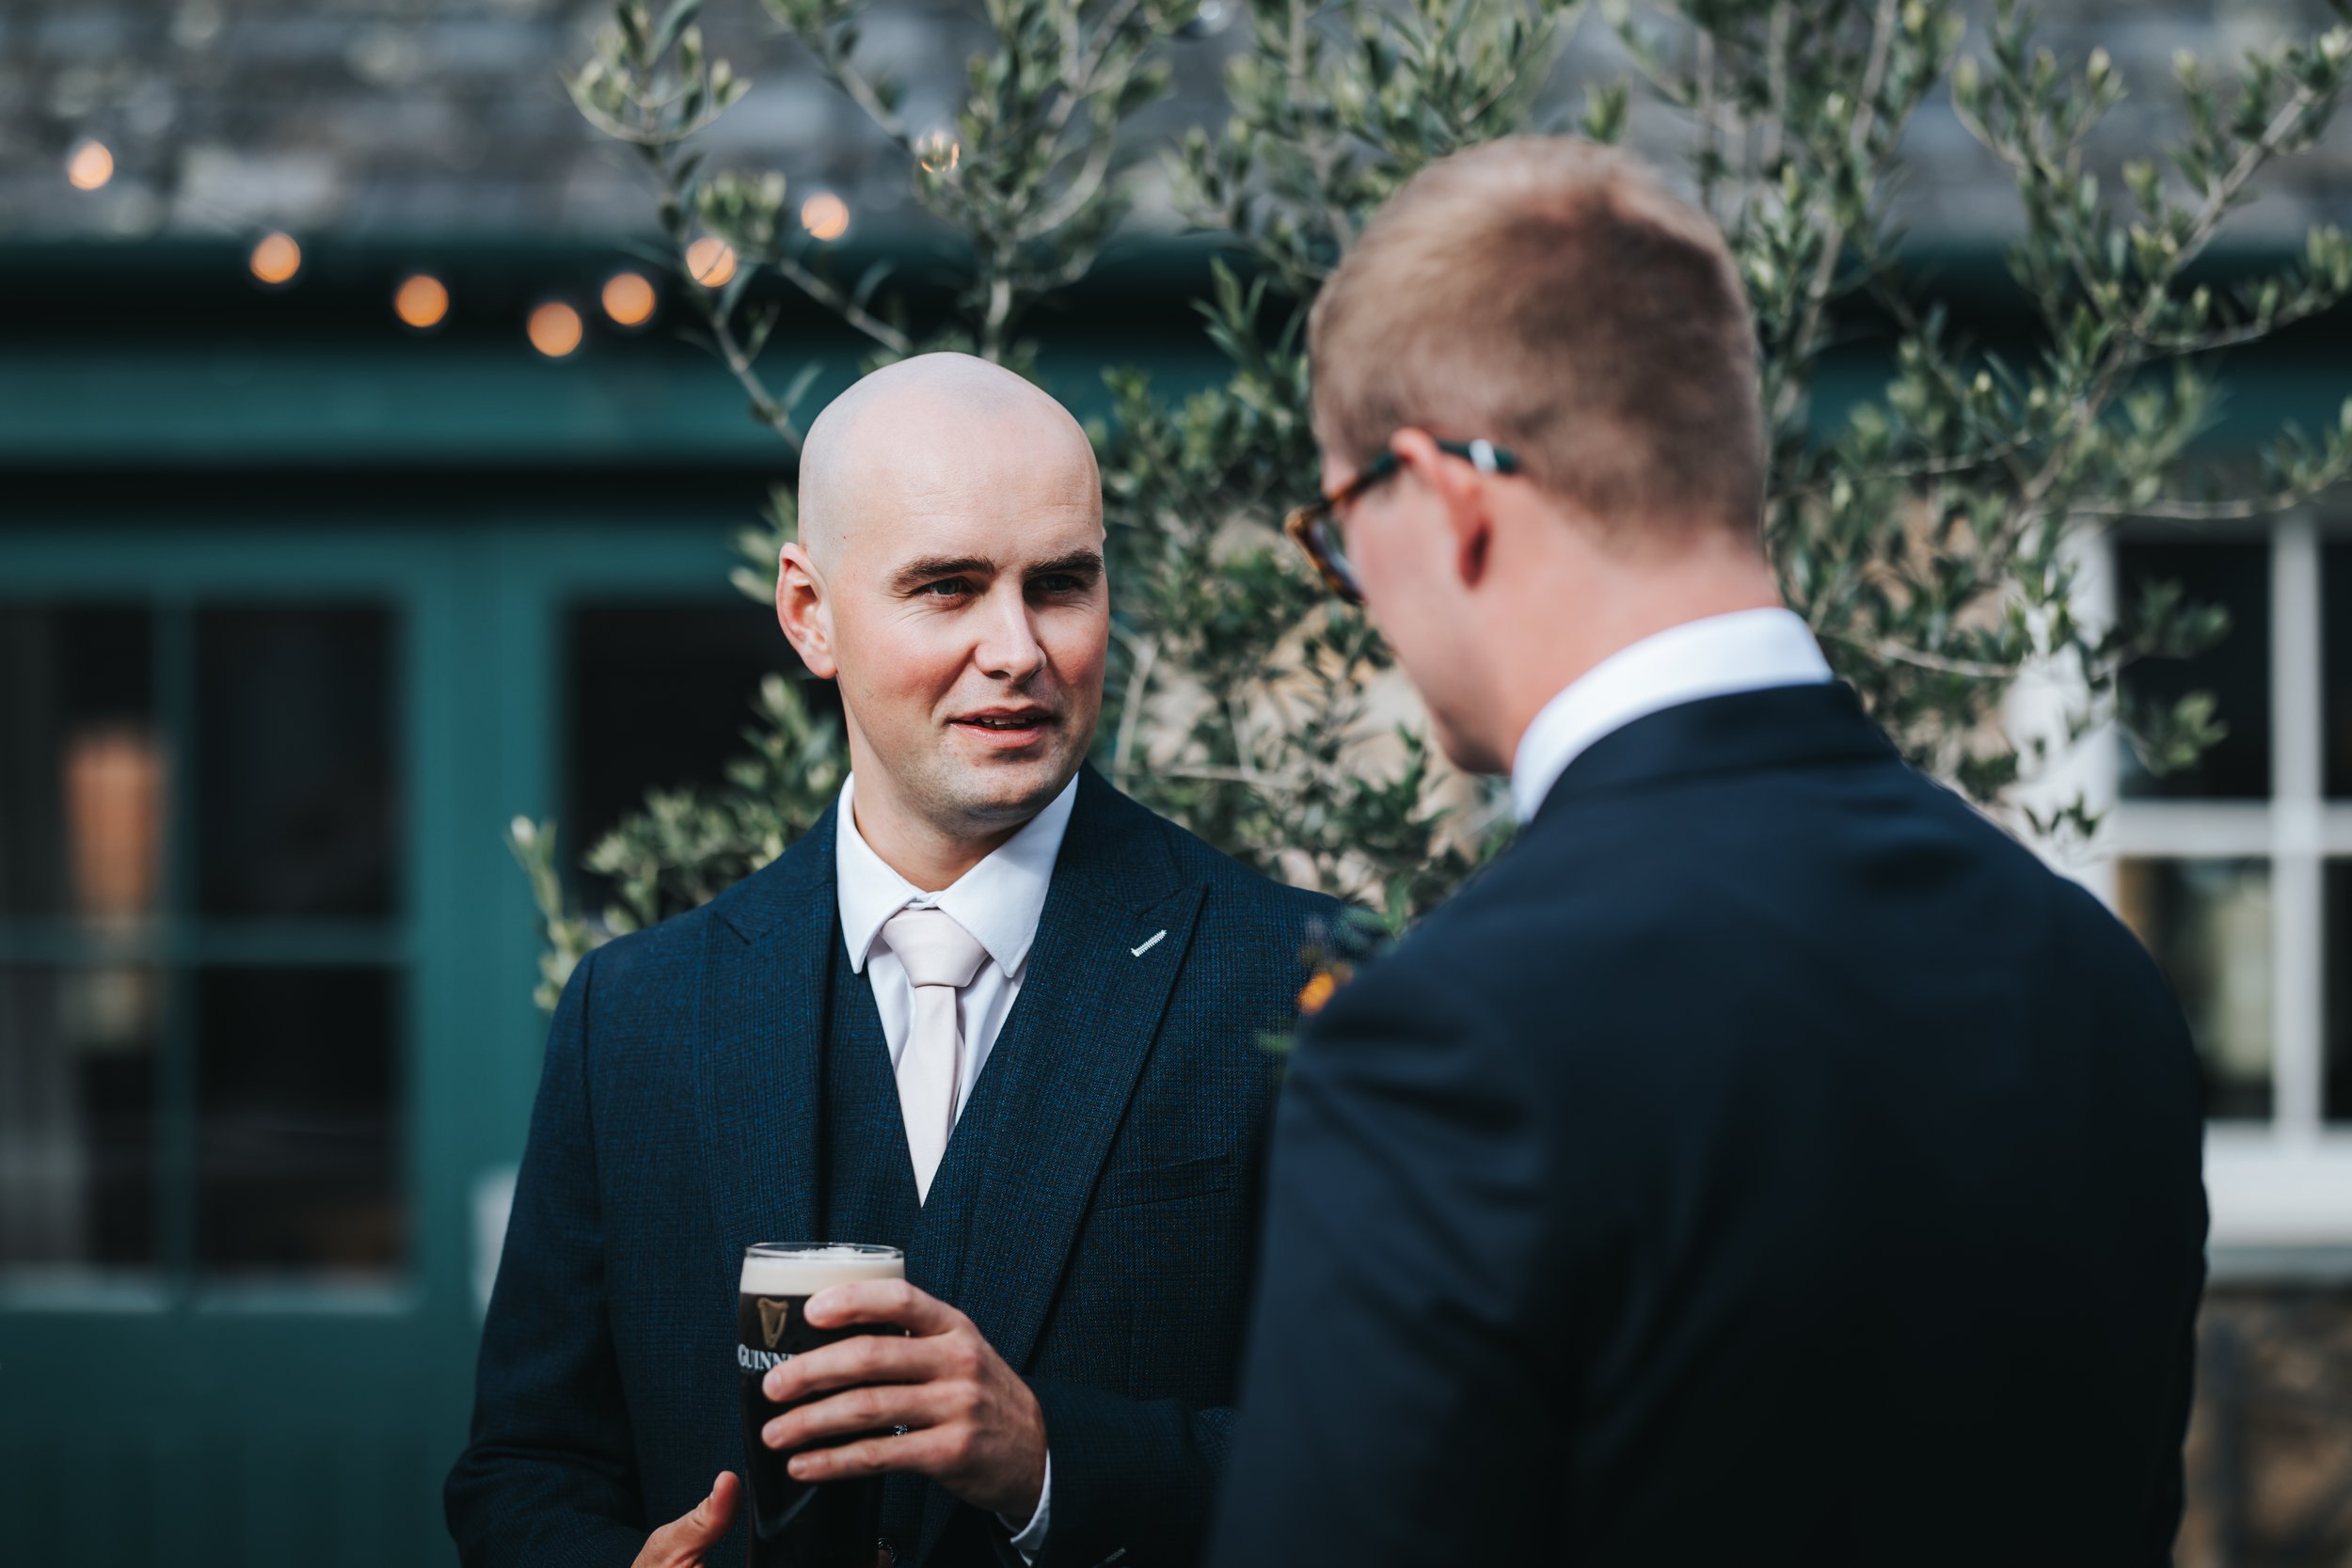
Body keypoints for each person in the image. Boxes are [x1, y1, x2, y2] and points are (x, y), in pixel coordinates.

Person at [1209, 138, 2209, 1565]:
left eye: (1338, 530)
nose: (1359, 595)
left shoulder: (1452, 1047)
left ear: (1443, 498)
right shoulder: (2094, 983)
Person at [448, 353, 1338, 1568]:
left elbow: (1396, 1472)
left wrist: (1048, 1462)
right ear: (810, 614)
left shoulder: (1304, 978)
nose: (1017, 647)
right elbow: (526, 1467)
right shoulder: (637, 1014)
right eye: (948, 588)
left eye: (1061, 584)